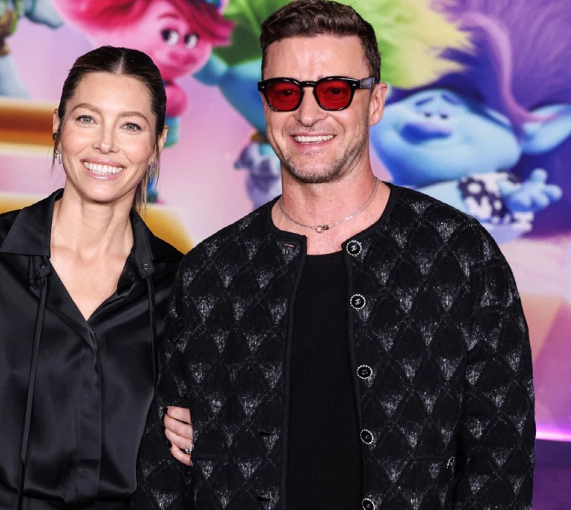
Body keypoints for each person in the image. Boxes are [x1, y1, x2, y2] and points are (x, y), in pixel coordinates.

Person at [134, 1, 535, 508]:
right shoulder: (211, 271)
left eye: (335, 91)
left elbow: (500, 464)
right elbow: (165, 475)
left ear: (376, 102)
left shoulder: (460, 255)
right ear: (266, 105)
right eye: (286, 92)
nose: (308, 114)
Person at [0, 46, 193, 510]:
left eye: (130, 126)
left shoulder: (184, 286)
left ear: (156, 144)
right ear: (58, 125)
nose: (105, 144)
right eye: (87, 119)